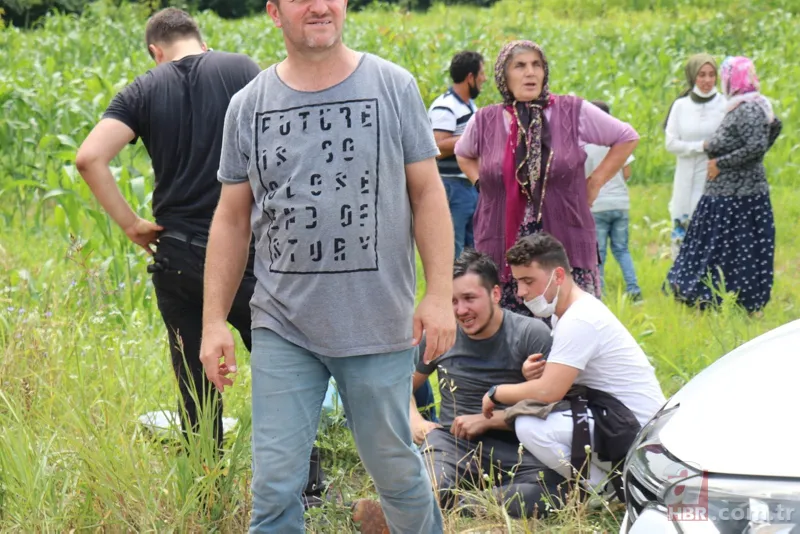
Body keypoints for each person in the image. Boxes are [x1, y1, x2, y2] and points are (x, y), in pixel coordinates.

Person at [199, 0, 456, 532]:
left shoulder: (393, 86)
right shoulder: (248, 105)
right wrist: (212, 321)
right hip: (282, 324)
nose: (319, 6)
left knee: (396, 472)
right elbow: (230, 218)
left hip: (377, 322)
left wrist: (438, 294)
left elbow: (428, 193)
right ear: (273, 11)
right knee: (273, 485)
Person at [74, 6, 328, 508]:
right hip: (247, 258)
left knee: (195, 386)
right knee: (284, 375)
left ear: (155, 50)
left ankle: (207, 494)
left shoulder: (141, 89)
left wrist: (130, 224)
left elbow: (89, 158)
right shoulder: (239, 69)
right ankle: (307, 488)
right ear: (201, 40)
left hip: (178, 258)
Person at [455, 40, 639, 319]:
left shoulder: (572, 111)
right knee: (512, 334)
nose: (530, 73)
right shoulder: (484, 120)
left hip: (563, 239)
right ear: (504, 76)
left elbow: (626, 137)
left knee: (569, 327)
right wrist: (482, 184)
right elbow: (463, 154)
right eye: (520, 66)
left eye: (536, 65)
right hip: (503, 245)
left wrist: (595, 181)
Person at [481, 233, 666, 490]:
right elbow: (557, 382)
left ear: (558, 276)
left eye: (528, 281)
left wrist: (496, 392)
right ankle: (612, 484)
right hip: (616, 417)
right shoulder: (568, 314)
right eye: (518, 282)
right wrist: (535, 373)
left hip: (638, 430)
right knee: (532, 416)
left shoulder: (579, 319)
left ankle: (610, 490)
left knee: (531, 426)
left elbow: (549, 391)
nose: (522, 292)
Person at [409, 249, 566, 519]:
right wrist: (416, 421)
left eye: (470, 298)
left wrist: (489, 420)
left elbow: (557, 406)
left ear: (495, 294)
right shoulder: (441, 334)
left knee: (556, 488)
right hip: (453, 445)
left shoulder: (531, 333)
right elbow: (401, 384)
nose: (461, 311)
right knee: (433, 484)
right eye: (453, 301)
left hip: (518, 447)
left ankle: (466, 506)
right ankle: (421, 507)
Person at [665, 56, 782, 315]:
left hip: (733, 192)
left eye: (717, 74)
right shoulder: (746, 105)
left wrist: (722, 163)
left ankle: (714, 296)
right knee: (721, 245)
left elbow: (756, 145)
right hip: (718, 186)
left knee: (722, 246)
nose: (710, 80)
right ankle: (710, 296)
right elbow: (768, 134)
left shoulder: (747, 108)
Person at [663, 53, 727, 258]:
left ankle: (709, 273)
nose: (707, 80)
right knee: (683, 219)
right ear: (693, 77)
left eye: (711, 75)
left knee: (709, 222)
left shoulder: (724, 104)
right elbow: (671, 143)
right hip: (685, 173)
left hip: (714, 174)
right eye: (702, 75)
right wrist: (701, 146)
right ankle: (680, 274)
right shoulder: (681, 106)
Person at [428, 51, 486, 259]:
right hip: (452, 186)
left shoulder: (469, 105)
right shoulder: (445, 107)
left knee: (472, 252)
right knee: (454, 250)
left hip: (469, 186)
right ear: (470, 77)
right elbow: (437, 147)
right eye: (481, 73)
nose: (484, 79)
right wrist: (472, 138)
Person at [585, 100, 642, 301]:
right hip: (620, 204)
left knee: (598, 253)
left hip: (597, 206)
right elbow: (627, 173)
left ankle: (600, 293)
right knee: (622, 249)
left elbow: (585, 177)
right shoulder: (619, 142)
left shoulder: (587, 146)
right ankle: (634, 290)